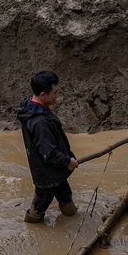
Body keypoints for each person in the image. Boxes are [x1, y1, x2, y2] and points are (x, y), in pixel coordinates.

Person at [18, 71, 79, 224]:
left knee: (66, 196)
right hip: (47, 173)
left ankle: (71, 215)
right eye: (55, 92)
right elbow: (49, 153)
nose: (57, 95)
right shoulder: (40, 122)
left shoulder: (31, 105)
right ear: (43, 94)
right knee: (39, 206)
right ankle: (31, 225)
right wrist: (67, 161)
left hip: (55, 170)